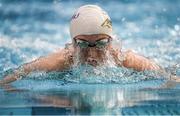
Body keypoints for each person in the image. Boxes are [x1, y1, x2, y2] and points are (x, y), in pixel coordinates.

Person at [0, 5, 178, 86]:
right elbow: (12, 77)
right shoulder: (58, 62)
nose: (92, 53)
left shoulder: (124, 59)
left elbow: (171, 78)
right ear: (72, 44)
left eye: (100, 43)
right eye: (83, 44)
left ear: (111, 42)